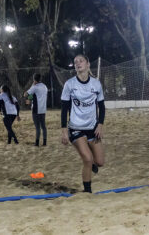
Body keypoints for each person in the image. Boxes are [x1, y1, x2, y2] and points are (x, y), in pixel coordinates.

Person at [60, 54, 105, 193]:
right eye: (75, 62)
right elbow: (64, 108)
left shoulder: (96, 84)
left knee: (100, 162)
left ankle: (92, 164)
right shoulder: (69, 84)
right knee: (87, 159)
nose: (78, 63)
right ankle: (87, 191)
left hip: (92, 128)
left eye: (81, 61)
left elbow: (102, 106)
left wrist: (100, 124)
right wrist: (64, 131)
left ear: (87, 64)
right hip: (75, 128)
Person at [24, 73, 48, 146]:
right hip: (43, 109)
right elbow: (34, 95)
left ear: (34, 79)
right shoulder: (45, 86)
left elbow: (25, 94)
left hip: (36, 109)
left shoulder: (35, 87)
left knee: (37, 127)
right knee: (43, 126)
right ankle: (44, 142)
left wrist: (32, 85)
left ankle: (37, 143)